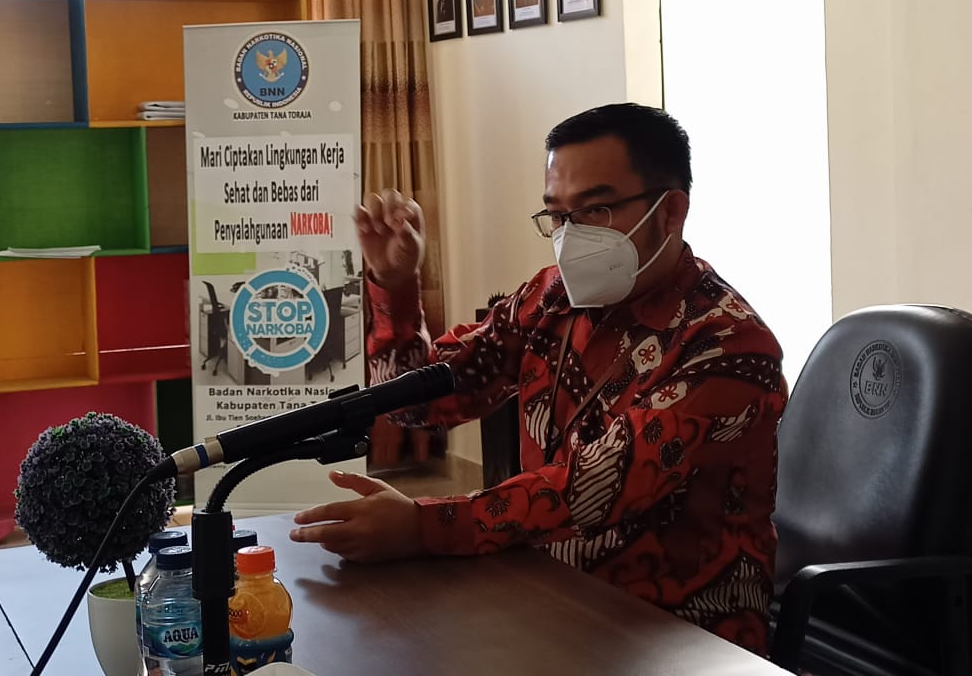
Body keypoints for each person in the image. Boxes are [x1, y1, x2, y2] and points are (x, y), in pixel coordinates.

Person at [291, 103, 787, 654]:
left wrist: (421, 526)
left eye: (595, 210)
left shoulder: (729, 345)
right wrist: (395, 282)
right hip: (548, 594)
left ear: (670, 211)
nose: (570, 236)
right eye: (557, 215)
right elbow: (418, 403)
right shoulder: (550, 299)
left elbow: (592, 490)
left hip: (685, 639)